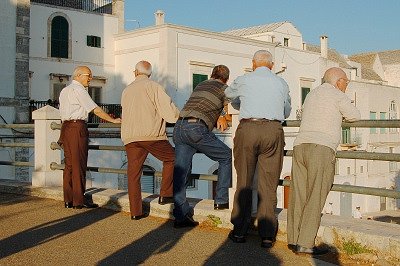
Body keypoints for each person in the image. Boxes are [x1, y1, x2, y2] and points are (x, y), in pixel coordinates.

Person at [287, 67, 361, 255]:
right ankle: (305, 243)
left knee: (299, 194)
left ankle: (294, 240)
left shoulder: (312, 93)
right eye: (346, 81)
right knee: (316, 195)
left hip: (300, 145)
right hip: (321, 148)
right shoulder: (337, 94)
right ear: (338, 82)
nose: (347, 85)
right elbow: (354, 115)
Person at [225, 50, 292, 248]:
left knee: (244, 180)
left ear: (253, 63)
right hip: (273, 130)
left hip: (248, 128)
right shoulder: (281, 83)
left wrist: (241, 101)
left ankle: (239, 231)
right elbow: (286, 110)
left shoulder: (245, 79)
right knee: (269, 183)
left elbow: (229, 95)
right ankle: (267, 234)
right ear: (272, 65)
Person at [173, 65, 232, 228]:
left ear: (212, 74)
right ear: (226, 79)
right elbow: (229, 105)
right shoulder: (224, 88)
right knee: (226, 156)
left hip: (179, 127)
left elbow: (205, 102)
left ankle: (180, 214)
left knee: (181, 171)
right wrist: (223, 116)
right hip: (196, 128)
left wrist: (219, 114)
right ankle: (221, 200)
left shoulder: (201, 85)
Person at [121, 61, 180, 220]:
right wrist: (180, 116)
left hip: (131, 137)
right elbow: (168, 111)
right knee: (172, 158)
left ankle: (136, 212)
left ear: (135, 72)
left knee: (133, 174)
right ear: (150, 74)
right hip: (151, 135)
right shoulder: (154, 87)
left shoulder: (126, 90)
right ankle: (166, 194)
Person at [58, 66, 121, 209]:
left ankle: (68, 200)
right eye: (88, 75)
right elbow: (95, 109)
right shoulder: (79, 90)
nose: (90, 78)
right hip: (77, 128)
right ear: (78, 75)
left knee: (69, 165)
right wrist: (112, 120)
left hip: (65, 128)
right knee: (79, 164)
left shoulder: (64, 90)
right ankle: (79, 201)